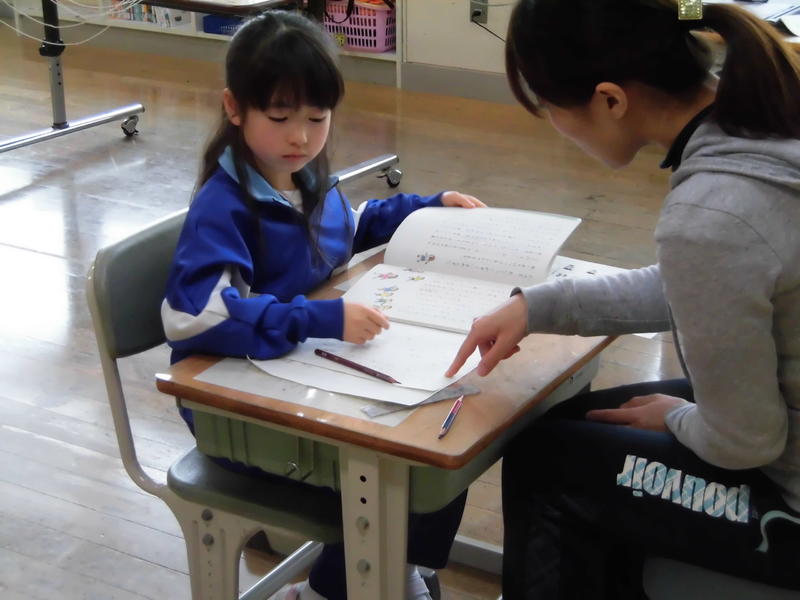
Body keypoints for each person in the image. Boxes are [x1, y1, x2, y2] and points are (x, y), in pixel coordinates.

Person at [445, 0, 800, 597]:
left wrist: (679, 420)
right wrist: (538, 307)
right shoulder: (765, 121)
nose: (554, 125)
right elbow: (704, 285)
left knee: (544, 463)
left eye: (550, 108)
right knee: (575, 426)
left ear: (611, 100)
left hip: (786, 498)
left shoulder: (712, 213)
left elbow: (744, 441)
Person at [160, 11, 485, 600]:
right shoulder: (223, 207)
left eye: (317, 118)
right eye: (280, 117)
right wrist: (321, 319)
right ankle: (349, 583)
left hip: (296, 377)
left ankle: (382, 570)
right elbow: (194, 317)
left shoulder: (306, 179)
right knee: (403, 460)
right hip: (233, 408)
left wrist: (425, 209)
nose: (301, 138)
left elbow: (349, 228)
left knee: (442, 437)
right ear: (235, 108)